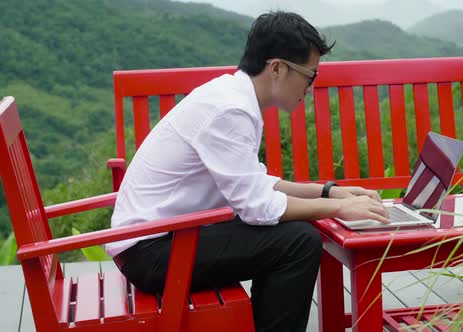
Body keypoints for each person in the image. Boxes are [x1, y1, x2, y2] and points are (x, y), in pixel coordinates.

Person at [105, 11, 390, 332]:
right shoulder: (231, 110)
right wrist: (339, 208)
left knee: (292, 236)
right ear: (277, 68)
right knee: (298, 242)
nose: (310, 88)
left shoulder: (231, 97)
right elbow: (258, 207)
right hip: (152, 253)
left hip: (158, 242)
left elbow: (256, 186)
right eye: (310, 76)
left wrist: (329, 192)